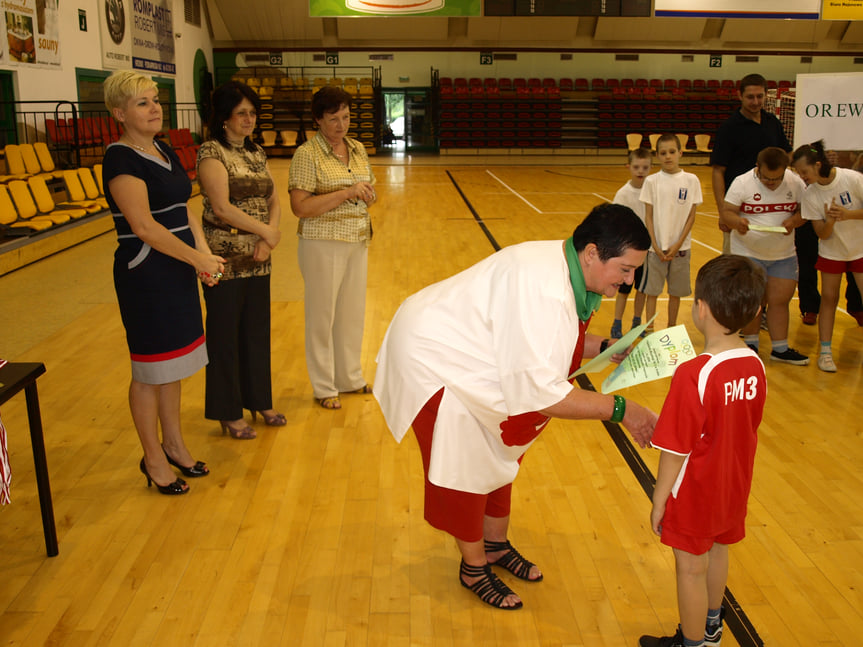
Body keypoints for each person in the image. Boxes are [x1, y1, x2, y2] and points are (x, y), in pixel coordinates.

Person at [374, 203, 659, 610]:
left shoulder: (571, 270)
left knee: (499, 453)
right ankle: (473, 567)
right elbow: (544, 393)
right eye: (626, 270)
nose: (629, 282)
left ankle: (494, 546)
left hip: (473, 349)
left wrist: (606, 347)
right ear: (592, 253)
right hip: (434, 359)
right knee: (465, 464)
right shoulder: (543, 291)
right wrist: (622, 410)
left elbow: (552, 343)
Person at [102, 70, 224, 494]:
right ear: (120, 113)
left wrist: (203, 255)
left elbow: (184, 209)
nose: (155, 108)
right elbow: (144, 226)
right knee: (150, 369)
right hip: (146, 274)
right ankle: (153, 458)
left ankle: (174, 444)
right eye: (142, 102)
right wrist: (196, 258)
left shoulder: (164, 148)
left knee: (174, 364)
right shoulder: (120, 158)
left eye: (155, 100)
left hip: (177, 267)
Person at [639, 254, 767, 647]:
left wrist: (659, 499)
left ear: (701, 308)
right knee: (718, 551)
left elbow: (675, 449)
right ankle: (712, 627)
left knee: (690, 569)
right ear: (757, 311)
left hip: (696, 491)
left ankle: (692, 643)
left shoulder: (694, 372)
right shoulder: (755, 364)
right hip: (734, 486)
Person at [197, 81, 284, 439]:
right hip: (224, 259)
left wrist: (269, 236)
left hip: (259, 257)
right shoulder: (211, 153)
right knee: (225, 336)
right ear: (224, 118)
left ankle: (259, 400)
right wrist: (265, 232)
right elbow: (221, 207)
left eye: (252, 113)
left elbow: (273, 198)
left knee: (255, 332)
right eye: (241, 114)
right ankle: (228, 411)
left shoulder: (256, 152)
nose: (249, 119)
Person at [288, 86, 376, 410]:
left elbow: (366, 187)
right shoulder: (306, 154)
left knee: (351, 314)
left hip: (357, 237)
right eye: (333, 118)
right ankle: (325, 386)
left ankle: (350, 378)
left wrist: (366, 194)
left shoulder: (357, 148)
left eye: (346, 117)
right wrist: (348, 192)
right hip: (322, 242)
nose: (341, 125)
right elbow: (300, 206)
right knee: (322, 316)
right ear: (318, 120)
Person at [720, 146, 808, 364]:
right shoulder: (742, 183)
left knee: (780, 300)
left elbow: (805, 211)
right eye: (767, 178)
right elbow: (727, 212)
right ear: (757, 168)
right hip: (748, 252)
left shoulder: (795, 182)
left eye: (777, 179)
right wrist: (737, 222)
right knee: (753, 301)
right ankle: (750, 345)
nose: (772, 183)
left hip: (783, 254)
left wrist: (795, 221)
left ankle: (780, 348)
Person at [791, 140, 863, 373]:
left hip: (859, 249)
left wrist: (848, 214)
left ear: (818, 164)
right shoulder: (810, 194)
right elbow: (821, 233)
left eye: (804, 172)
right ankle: (825, 352)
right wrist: (831, 220)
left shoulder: (851, 179)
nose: (802, 177)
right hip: (832, 251)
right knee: (829, 299)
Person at [710, 73, 791, 254]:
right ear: (740, 96)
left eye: (759, 96)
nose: (755, 101)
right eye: (750, 97)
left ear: (765, 95)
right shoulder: (728, 128)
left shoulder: (773, 123)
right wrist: (723, 212)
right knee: (735, 265)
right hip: (740, 207)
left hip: (771, 205)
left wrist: (815, 153)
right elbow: (717, 171)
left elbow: (788, 154)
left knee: (771, 256)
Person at [640, 134, 703, 333]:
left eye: (672, 152)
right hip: (655, 249)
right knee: (652, 292)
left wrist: (677, 245)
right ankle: (649, 329)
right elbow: (648, 217)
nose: (668, 157)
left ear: (680, 153)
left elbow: (691, 217)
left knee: (675, 292)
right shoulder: (651, 181)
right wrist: (655, 245)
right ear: (657, 156)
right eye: (663, 153)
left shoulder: (691, 180)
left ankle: (671, 328)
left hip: (681, 249)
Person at [610, 147, 651, 338]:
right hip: (627, 252)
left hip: (647, 252)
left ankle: (637, 322)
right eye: (636, 167)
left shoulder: (652, 192)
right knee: (623, 290)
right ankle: (616, 322)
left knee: (641, 290)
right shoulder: (623, 194)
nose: (640, 171)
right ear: (629, 167)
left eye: (645, 167)